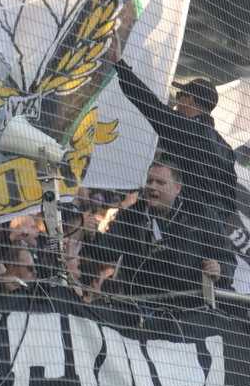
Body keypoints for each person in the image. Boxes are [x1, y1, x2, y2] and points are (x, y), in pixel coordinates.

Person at [108, 32, 237, 221]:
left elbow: (148, 103)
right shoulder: (226, 149)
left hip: (184, 222)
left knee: (128, 222)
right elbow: (230, 201)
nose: (176, 103)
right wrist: (214, 221)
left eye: (179, 96)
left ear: (189, 99)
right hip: (213, 231)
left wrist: (119, 63)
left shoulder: (183, 127)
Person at [99, 160, 236, 303]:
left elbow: (227, 258)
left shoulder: (201, 215)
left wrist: (219, 270)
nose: (152, 187)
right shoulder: (132, 216)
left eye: (160, 182)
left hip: (192, 308)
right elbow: (106, 250)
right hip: (145, 307)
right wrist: (92, 235)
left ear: (177, 188)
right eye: (149, 181)